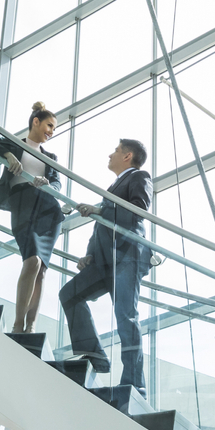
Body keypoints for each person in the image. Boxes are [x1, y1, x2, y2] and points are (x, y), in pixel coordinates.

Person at [59, 137, 152, 388]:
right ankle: (94, 353)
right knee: (69, 294)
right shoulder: (113, 186)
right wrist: (89, 253)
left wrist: (100, 210)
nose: (110, 154)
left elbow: (138, 211)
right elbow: (102, 227)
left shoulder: (139, 177)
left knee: (126, 317)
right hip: (102, 260)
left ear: (127, 156)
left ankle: (134, 384)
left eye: (116, 150)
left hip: (126, 256)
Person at [0, 101, 61, 334]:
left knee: (42, 269)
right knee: (32, 261)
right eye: (49, 125)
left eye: (54, 129)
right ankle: (18, 324)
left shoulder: (50, 156)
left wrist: (48, 183)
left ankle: (31, 326)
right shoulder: (15, 144)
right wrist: (8, 155)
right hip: (23, 205)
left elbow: (57, 183)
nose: (51, 132)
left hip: (48, 210)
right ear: (35, 121)